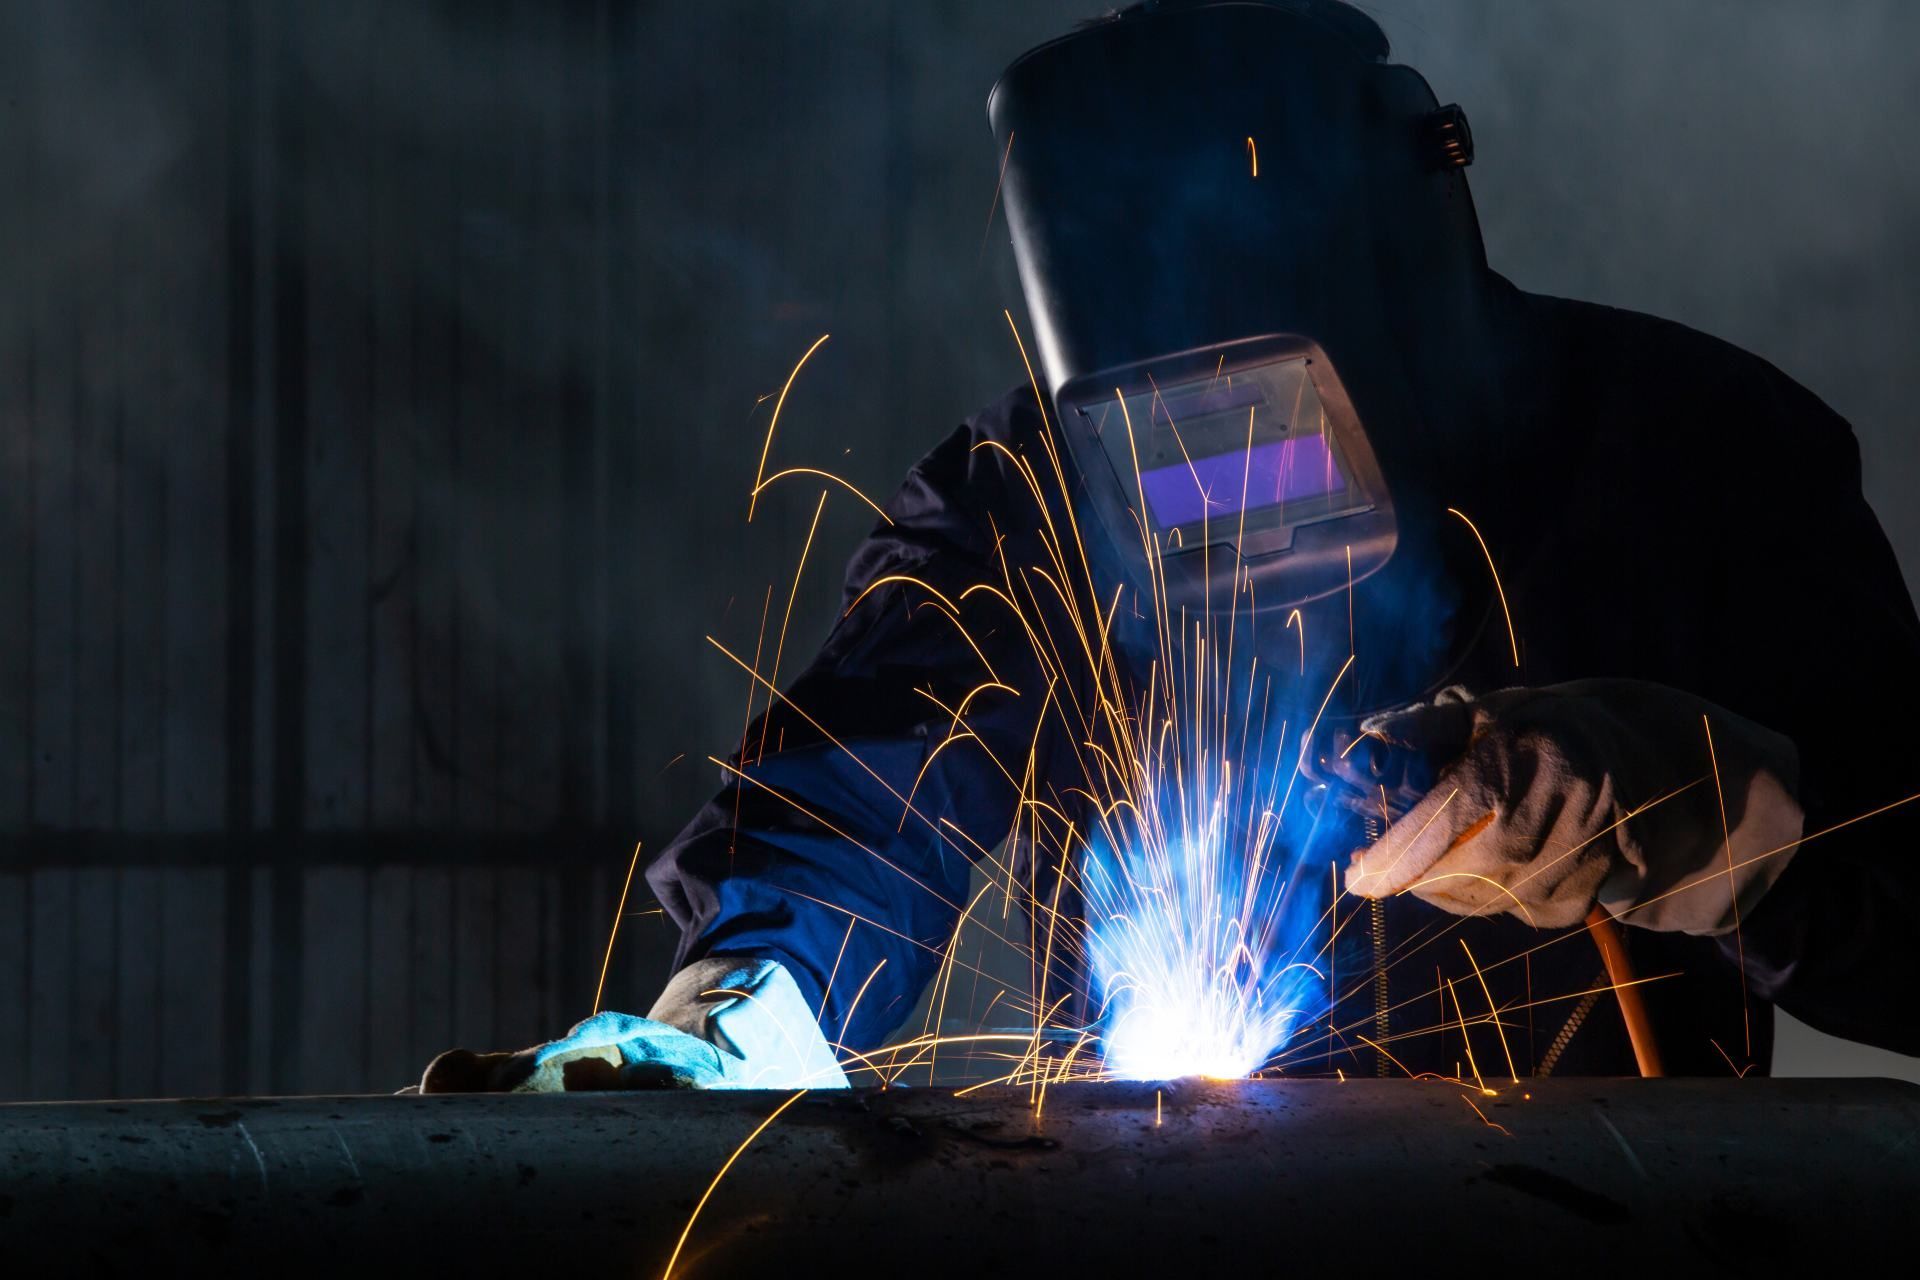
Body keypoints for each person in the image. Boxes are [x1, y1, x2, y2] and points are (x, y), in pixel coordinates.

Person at [421, 0, 1920, 1093]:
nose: (1230, 490)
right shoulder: (1026, 495)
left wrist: (1718, 819)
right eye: (1172, 436)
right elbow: (860, 789)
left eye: (1277, 420)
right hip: (1163, 1221)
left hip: (1610, 1225)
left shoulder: (1699, 455)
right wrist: (735, 1015)